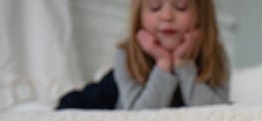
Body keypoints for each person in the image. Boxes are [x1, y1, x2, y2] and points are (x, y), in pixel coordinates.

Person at [57, 0, 229, 110]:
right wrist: (163, 64)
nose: (167, 16)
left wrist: (183, 65)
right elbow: (138, 117)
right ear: (139, 16)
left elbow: (216, 114)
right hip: (116, 90)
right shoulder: (126, 54)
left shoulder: (214, 54)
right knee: (69, 106)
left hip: (181, 80)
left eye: (181, 7)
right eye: (154, 7)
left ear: (202, 15)